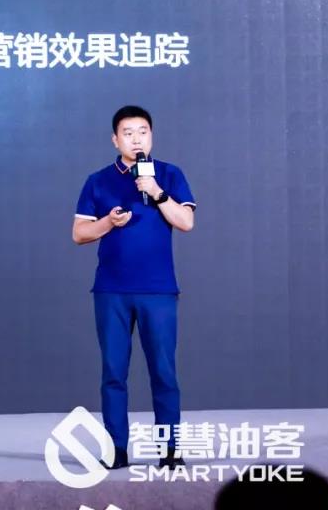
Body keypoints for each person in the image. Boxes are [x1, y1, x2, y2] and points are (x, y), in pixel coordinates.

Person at [72, 106, 196, 470]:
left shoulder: (169, 175)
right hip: (111, 291)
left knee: (164, 372)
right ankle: (116, 449)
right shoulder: (98, 181)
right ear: (115, 139)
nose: (136, 139)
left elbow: (186, 221)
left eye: (143, 131)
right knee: (113, 373)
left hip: (158, 291)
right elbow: (79, 233)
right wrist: (108, 223)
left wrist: (157, 193)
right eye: (128, 133)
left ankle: (169, 450)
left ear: (151, 136)